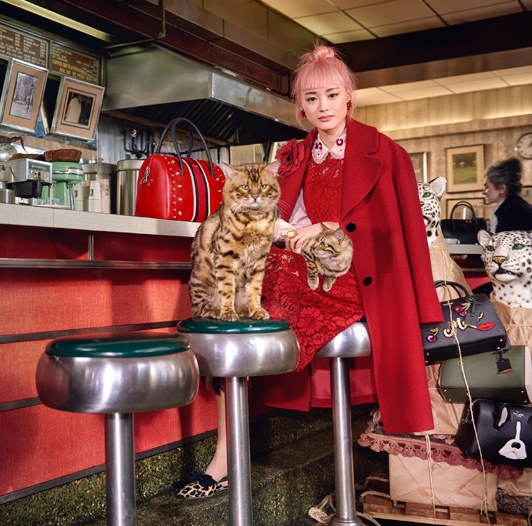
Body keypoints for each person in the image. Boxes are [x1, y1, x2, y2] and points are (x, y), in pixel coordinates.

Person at [177, 44, 442, 498]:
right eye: (312, 98)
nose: (323, 107)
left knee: (255, 305)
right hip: (300, 271)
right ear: (300, 105)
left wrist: (328, 230)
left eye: (331, 95)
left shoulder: (386, 152)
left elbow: (402, 234)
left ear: (349, 97)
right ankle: (225, 454)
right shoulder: (291, 155)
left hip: (359, 281)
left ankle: (228, 453)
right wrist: (284, 232)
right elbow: (274, 220)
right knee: (236, 304)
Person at [483, 157, 532, 233]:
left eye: (487, 187)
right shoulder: (520, 206)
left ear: (502, 188)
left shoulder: (509, 212)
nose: (484, 192)